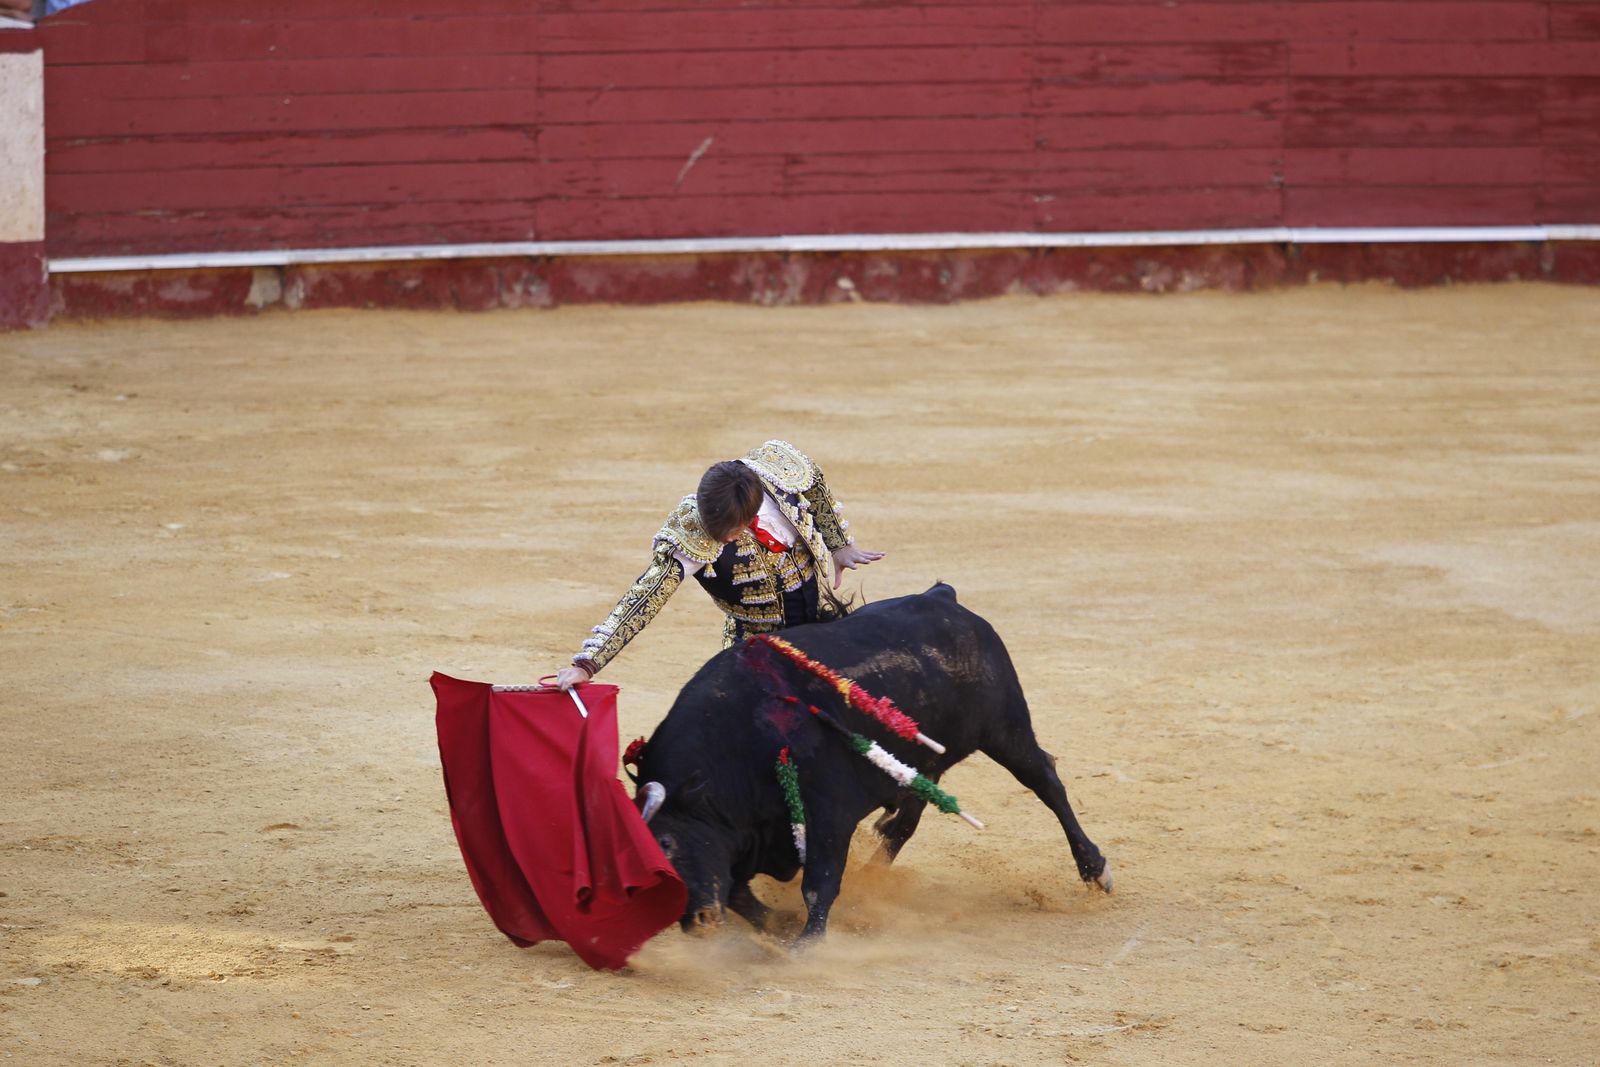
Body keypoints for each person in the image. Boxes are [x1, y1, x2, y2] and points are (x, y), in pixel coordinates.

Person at [555, 440, 883, 689]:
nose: (724, 538)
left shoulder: (775, 472)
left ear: (752, 515)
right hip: (756, 650)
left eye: (734, 530)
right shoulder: (690, 533)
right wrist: (588, 664)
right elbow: (645, 597)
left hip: (816, 627)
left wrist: (839, 544)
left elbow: (813, 484)